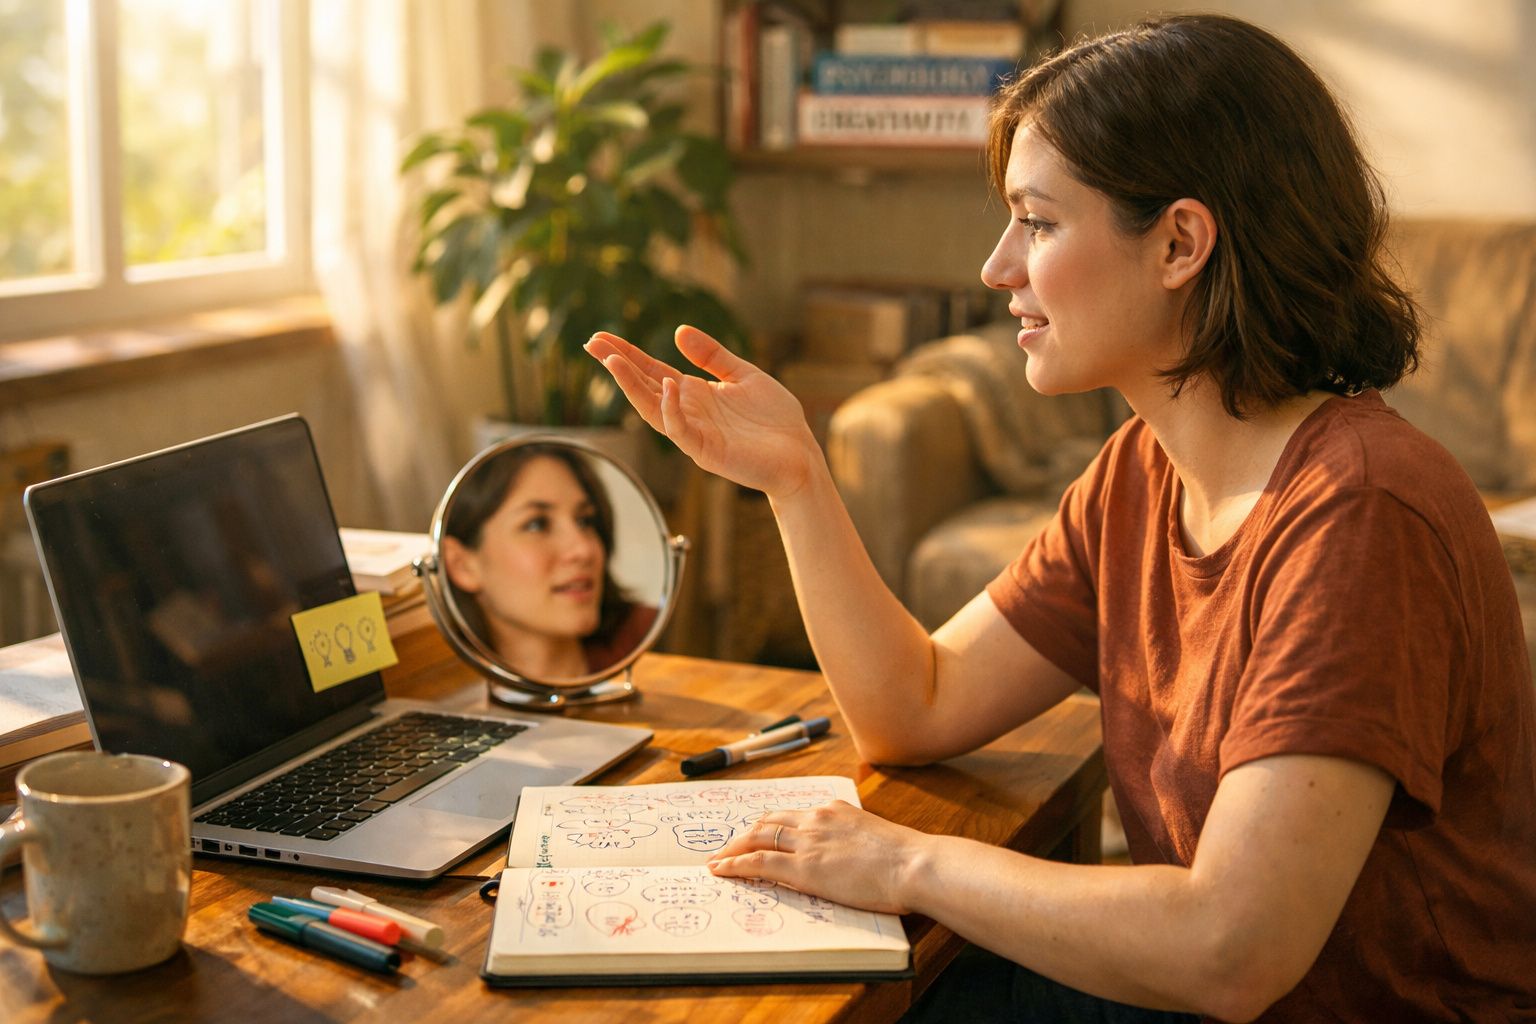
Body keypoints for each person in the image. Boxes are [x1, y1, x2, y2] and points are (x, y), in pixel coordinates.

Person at [584, 13, 1536, 1023]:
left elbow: (1232, 949)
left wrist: (907, 861)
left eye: (1036, 222)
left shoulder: (1361, 511)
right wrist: (797, 479)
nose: (998, 268)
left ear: (1180, 243)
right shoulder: (1141, 470)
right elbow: (914, 705)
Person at [441, 443, 656, 679]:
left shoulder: (646, 642)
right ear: (462, 565)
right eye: (537, 524)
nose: (583, 549)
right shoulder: (437, 688)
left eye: (585, 521)